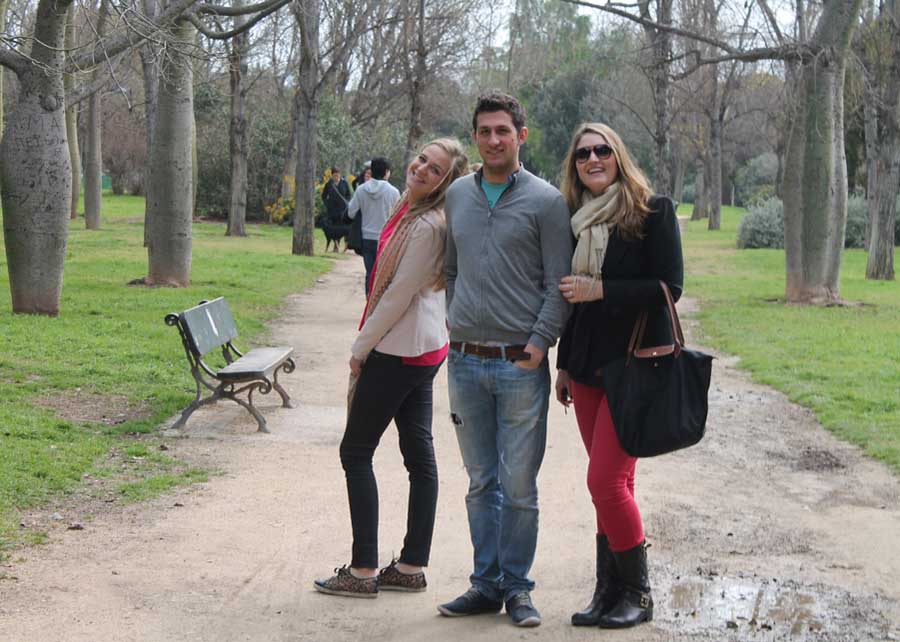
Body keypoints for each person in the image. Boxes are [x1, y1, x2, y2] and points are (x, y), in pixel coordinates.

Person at [438, 91, 573, 628]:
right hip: (465, 362)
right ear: (474, 137)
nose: (494, 140)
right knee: (479, 482)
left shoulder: (546, 201)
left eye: (503, 130)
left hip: (520, 364)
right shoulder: (457, 197)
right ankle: (484, 584)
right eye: (485, 131)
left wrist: (538, 345)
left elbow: (557, 285)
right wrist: (457, 320)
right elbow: (451, 270)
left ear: (522, 134)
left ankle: (518, 588)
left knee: (519, 485)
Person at [313, 139, 470, 599]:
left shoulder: (426, 225)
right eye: (422, 158)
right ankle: (410, 566)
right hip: (424, 347)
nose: (421, 169)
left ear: (447, 183)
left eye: (435, 169)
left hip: (401, 350)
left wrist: (361, 347)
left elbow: (398, 294)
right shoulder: (411, 207)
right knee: (419, 456)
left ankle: (363, 571)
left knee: (355, 452)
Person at [554, 123, 683, 629]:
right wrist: (563, 364)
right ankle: (608, 591)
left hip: (635, 366)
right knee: (614, 483)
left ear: (618, 155)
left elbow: (669, 286)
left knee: (604, 481)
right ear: (576, 165)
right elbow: (574, 306)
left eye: (602, 149)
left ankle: (639, 593)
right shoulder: (577, 220)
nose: (593, 158)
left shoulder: (653, 212)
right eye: (583, 153)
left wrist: (601, 290)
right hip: (586, 366)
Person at [347, 157, 400, 295]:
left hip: (366, 238)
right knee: (384, 275)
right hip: (386, 239)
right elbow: (399, 217)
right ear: (386, 172)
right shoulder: (393, 192)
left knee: (370, 273)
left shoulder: (361, 190)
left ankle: (368, 304)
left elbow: (351, 213)